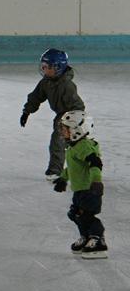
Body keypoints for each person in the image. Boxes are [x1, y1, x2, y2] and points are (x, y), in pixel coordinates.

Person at [20, 48, 85, 181]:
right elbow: (36, 97)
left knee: (62, 142)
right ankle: (62, 169)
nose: (44, 69)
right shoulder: (46, 82)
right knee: (64, 143)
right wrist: (27, 111)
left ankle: (57, 170)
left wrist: (73, 122)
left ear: (58, 68)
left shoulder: (67, 85)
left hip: (73, 115)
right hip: (61, 115)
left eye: (47, 67)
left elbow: (77, 106)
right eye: (43, 66)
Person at [53, 110, 107, 258]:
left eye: (65, 128)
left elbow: (95, 163)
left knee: (86, 216)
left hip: (90, 189)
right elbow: (72, 167)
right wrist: (63, 178)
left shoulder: (83, 146)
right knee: (75, 214)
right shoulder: (73, 147)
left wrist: (96, 181)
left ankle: (98, 240)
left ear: (77, 130)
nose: (62, 131)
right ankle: (86, 237)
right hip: (80, 190)